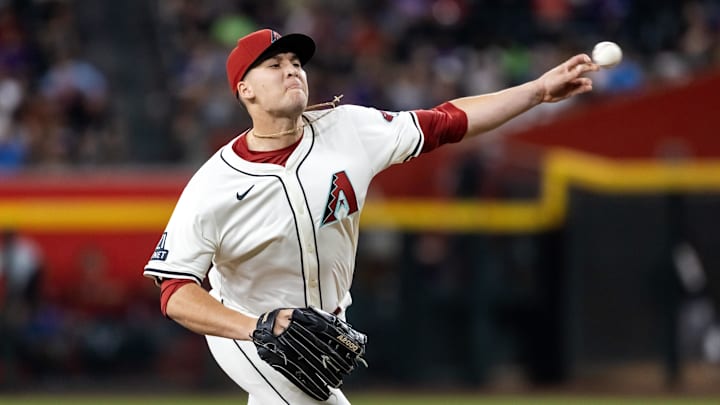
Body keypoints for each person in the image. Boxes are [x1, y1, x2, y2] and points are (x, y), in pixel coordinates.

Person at [143, 28, 598, 404]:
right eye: (275, 64)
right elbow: (175, 292)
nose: (292, 70)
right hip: (243, 329)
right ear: (245, 89)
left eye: (296, 63)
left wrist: (537, 91)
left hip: (326, 321)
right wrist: (255, 329)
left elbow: (446, 122)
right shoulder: (213, 184)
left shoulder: (349, 130)